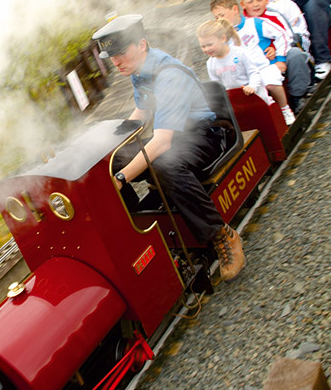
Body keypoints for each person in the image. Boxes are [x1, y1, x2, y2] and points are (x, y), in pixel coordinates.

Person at [92, 14, 246, 281]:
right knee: (111, 160)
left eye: (120, 53)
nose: (116, 62)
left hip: (204, 136)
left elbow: (162, 142)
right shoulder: (138, 69)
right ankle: (134, 230)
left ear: (141, 45)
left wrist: (120, 179)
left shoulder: (169, 75)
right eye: (112, 56)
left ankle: (222, 234)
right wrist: (108, 146)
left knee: (164, 162)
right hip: (176, 135)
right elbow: (141, 111)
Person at [210, 0, 296, 124]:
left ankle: (285, 109)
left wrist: (280, 58)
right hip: (243, 73)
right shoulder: (223, 36)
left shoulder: (254, 23)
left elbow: (281, 35)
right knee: (238, 94)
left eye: (221, 15)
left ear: (234, 9)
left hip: (263, 67)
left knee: (271, 83)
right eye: (216, 17)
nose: (219, 20)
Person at [239, 0, 313, 113]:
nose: (256, 5)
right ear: (243, 5)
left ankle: (297, 95)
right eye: (251, 2)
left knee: (295, 55)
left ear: (266, 0)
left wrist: (277, 53)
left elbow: (287, 36)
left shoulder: (275, 16)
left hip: (279, 56)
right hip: (257, 61)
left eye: (259, 0)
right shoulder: (242, 23)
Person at [197, 18, 272, 104]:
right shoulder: (210, 64)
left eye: (210, 45)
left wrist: (252, 86)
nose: (207, 49)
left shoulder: (239, 53)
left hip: (254, 95)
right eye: (203, 46)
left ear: (222, 38)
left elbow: (254, 73)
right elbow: (217, 85)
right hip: (234, 99)